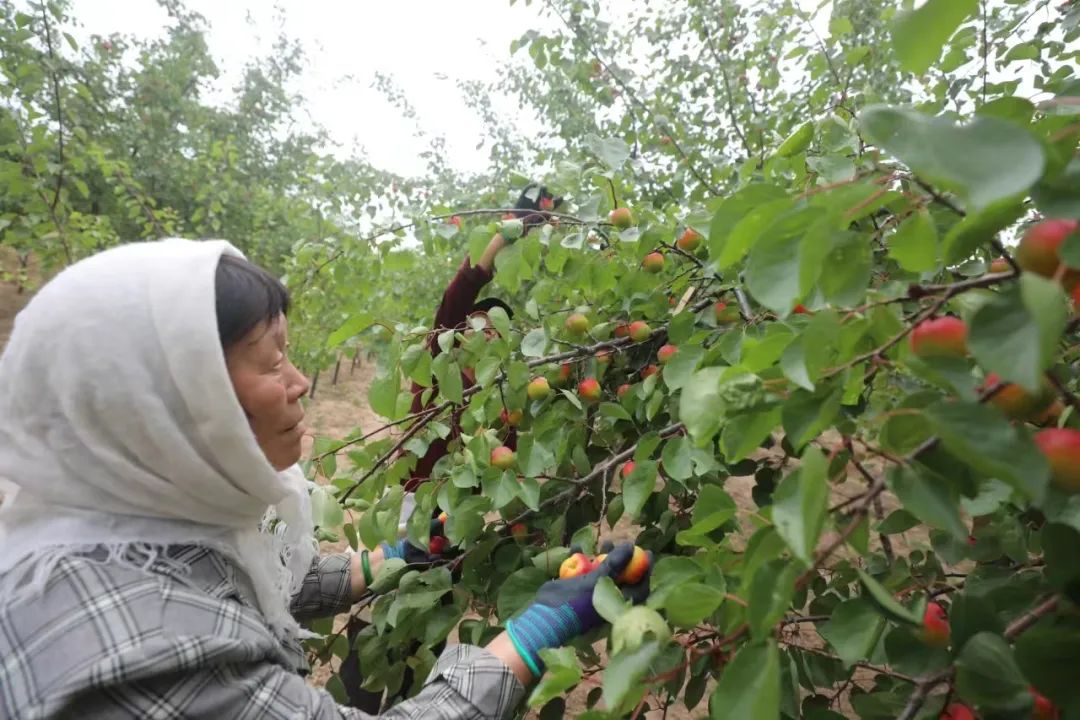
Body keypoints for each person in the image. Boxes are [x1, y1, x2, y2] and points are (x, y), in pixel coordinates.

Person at [0, 238, 648, 719]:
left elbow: (282, 580)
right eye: (270, 358)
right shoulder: (145, 641)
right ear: (168, 401)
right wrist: (535, 633)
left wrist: (404, 556)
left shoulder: (155, 524)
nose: (300, 381)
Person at [403, 184, 562, 492]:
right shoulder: (439, 367)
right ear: (458, 334)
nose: (488, 331)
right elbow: (462, 288)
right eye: (479, 323)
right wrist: (508, 232)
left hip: (460, 521)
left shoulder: (502, 398)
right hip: (411, 509)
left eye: (496, 328)